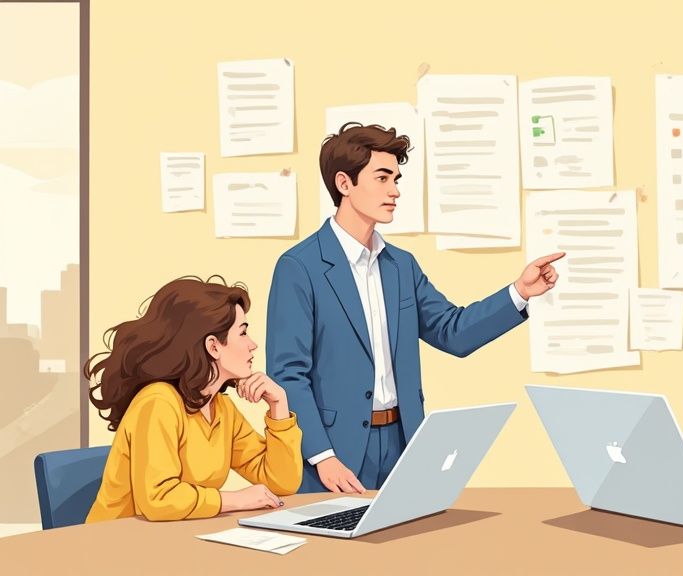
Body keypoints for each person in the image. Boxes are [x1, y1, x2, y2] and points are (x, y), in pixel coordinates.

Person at [268, 122, 564, 493]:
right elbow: (287, 373)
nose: (394, 191)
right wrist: (321, 455)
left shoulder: (401, 266)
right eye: (382, 178)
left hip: (403, 443)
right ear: (344, 183)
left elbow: (452, 331)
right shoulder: (300, 267)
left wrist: (519, 292)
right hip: (333, 452)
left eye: (396, 179)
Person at [85, 276, 303, 522]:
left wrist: (278, 405)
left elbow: (281, 482)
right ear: (213, 346)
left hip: (175, 536)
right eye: (243, 333)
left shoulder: (221, 409)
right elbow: (159, 499)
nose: (252, 345)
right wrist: (235, 499)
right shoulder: (158, 403)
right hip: (115, 539)